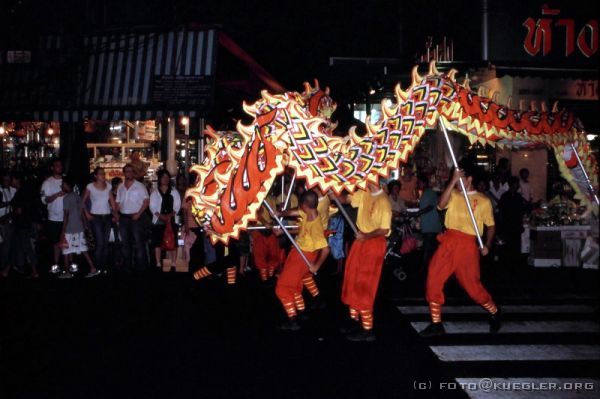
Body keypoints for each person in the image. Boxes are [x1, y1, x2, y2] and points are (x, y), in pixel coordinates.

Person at [420, 162, 501, 337]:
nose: (457, 182)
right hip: (448, 241)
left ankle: (494, 311)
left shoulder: (484, 200)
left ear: (470, 179)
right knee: (433, 278)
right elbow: (440, 206)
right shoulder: (454, 195)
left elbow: (491, 226)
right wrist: (452, 181)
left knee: (472, 288)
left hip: (467, 245)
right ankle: (436, 324)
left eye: (461, 178)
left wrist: (487, 244)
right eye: (455, 178)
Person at [340, 182, 392, 342]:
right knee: (352, 278)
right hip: (361, 240)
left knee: (365, 283)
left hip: (373, 243)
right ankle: (355, 319)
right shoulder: (363, 192)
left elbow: (384, 230)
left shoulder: (384, 201)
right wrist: (333, 193)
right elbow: (347, 200)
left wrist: (366, 237)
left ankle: (367, 328)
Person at [274, 191, 330, 331]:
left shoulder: (315, 225)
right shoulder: (308, 213)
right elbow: (295, 215)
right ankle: (301, 311)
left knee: (282, 287)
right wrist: (281, 215)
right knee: (294, 285)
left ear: (305, 205)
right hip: (298, 253)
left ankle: (292, 319)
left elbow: (325, 249)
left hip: (303, 257)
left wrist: (316, 266)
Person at [59, 177, 100, 279]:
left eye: (63, 184)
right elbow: (82, 213)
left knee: (66, 250)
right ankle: (92, 268)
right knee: (83, 249)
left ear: (67, 185)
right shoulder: (78, 197)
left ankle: (67, 272)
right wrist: (85, 225)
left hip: (70, 227)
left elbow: (66, 215)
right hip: (79, 226)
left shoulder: (66, 198)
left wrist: (63, 231)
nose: (61, 186)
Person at [3, 173, 39, 278]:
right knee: (15, 246)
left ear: (17, 180)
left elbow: (19, 211)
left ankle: (35, 271)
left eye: (12, 179)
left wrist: (7, 216)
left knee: (26, 247)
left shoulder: (21, 193)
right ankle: (6, 270)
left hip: (22, 224)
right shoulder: (24, 191)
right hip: (22, 224)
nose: (10, 182)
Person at [82, 167, 117, 273]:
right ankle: (96, 266)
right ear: (96, 176)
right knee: (100, 242)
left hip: (107, 216)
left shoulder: (108, 186)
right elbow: (82, 201)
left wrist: (115, 214)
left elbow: (112, 201)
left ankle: (103, 266)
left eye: (103, 173)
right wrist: (87, 214)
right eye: (101, 174)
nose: (103, 175)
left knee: (105, 243)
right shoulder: (90, 186)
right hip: (96, 216)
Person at [116, 164, 150, 272]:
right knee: (125, 243)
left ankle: (141, 267)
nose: (129, 173)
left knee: (139, 243)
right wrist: (116, 214)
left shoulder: (140, 186)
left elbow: (146, 201)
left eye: (131, 171)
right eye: (127, 171)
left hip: (136, 217)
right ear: (124, 173)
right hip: (123, 218)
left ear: (133, 173)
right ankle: (128, 267)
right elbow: (118, 202)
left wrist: (139, 214)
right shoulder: (120, 187)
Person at [149, 170, 181, 271]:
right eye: (163, 177)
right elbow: (152, 206)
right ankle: (158, 262)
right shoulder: (155, 192)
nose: (165, 179)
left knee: (173, 240)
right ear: (159, 179)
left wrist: (170, 215)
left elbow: (177, 205)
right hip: (159, 219)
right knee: (157, 241)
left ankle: (174, 262)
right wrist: (160, 215)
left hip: (171, 219)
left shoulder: (174, 191)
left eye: (167, 177)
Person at [40, 159, 65, 274]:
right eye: (56, 165)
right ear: (52, 168)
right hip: (54, 217)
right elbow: (44, 200)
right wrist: (57, 195)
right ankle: (56, 264)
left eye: (60, 165)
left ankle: (68, 265)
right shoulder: (47, 183)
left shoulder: (66, 180)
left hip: (67, 216)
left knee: (67, 241)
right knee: (55, 242)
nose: (59, 167)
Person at [498, 177, 528, 273]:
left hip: (516, 225)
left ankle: (515, 266)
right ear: (511, 185)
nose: (517, 186)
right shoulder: (505, 196)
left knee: (516, 246)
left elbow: (521, 211)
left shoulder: (518, 196)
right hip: (507, 225)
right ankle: (507, 265)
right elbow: (502, 212)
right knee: (508, 246)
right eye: (516, 184)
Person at [417, 175, 442, 267]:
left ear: (424, 183)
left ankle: (425, 268)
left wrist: (417, 213)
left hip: (432, 225)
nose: (418, 184)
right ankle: (429, 267)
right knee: (429, 248)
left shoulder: (430, 192)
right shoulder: (424, 193)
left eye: (419, 182)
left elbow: (431, 206)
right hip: (428, 225)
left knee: (428, 249)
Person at [0, 170, 16, 277]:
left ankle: (5, 266)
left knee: (7, 245)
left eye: (8, 180)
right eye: (5, 180)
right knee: (4, 245)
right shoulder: (0, 190)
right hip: (2, 220)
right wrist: (8, 204)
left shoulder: (11, 190)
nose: (7, 182)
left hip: (9, 220)